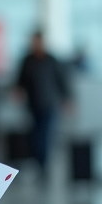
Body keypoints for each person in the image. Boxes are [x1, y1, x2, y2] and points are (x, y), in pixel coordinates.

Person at [15, 31, 70, 179]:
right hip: (33, 104)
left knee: (46, 135)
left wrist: (67, 99)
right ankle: (37, 163)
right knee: (34, 135)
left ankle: (44, 166)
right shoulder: (27, 60)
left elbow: (61, 80)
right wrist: (18, 91)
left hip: (49, 104)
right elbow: (20, 80)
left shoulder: (51, 60)